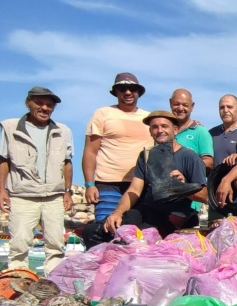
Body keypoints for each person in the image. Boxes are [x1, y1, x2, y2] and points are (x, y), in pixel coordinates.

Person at [0, 87, 73, 274]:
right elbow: (3, 160)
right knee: (19, 243)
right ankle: (17, 280)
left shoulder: (63, 131)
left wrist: (68, 191)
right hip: (23, 195)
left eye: (49, 104)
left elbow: (67, 162)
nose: (45, 108)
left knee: (55, 243)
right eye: (40, 103)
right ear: (28, 103)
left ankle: (53, 282)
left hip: (53, 196)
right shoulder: (11, 127)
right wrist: (1, 191)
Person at [100, 110, 208, 240]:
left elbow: (205, 196)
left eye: (164, 126)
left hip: (172, 217)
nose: (159, 130)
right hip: (147, 211)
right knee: (97, 230)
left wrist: (183, 187)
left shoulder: (189, 156)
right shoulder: (145, 156)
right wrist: (117, 213)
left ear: (175, 130)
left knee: (139, 230)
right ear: (150, 132)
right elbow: (134, 189)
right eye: (155, 127)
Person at [82, 72, 151, 223]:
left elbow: (169, 136)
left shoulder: (149, 118)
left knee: (138, 231)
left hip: (141, 184)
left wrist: (193, 124)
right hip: (108, 183)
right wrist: (89, 184)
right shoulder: (103, 114)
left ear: (138, 92)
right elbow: (90, 151)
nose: (127, 92)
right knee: (106, 226)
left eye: (132, 89)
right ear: (116, 92)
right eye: (122, 88)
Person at [169, 88, 214, 169]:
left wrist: (186, 166)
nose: (180, 108)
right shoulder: (163, 130)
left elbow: (209, 162)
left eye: (185, 105)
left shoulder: (201, 132)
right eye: (176, 104)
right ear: (170, 103)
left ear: (192, 107)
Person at [209, 94, 237, 166]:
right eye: (222, 107)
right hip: (214, 177)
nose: (225, 110)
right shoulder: (211, 133)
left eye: (229, 107)